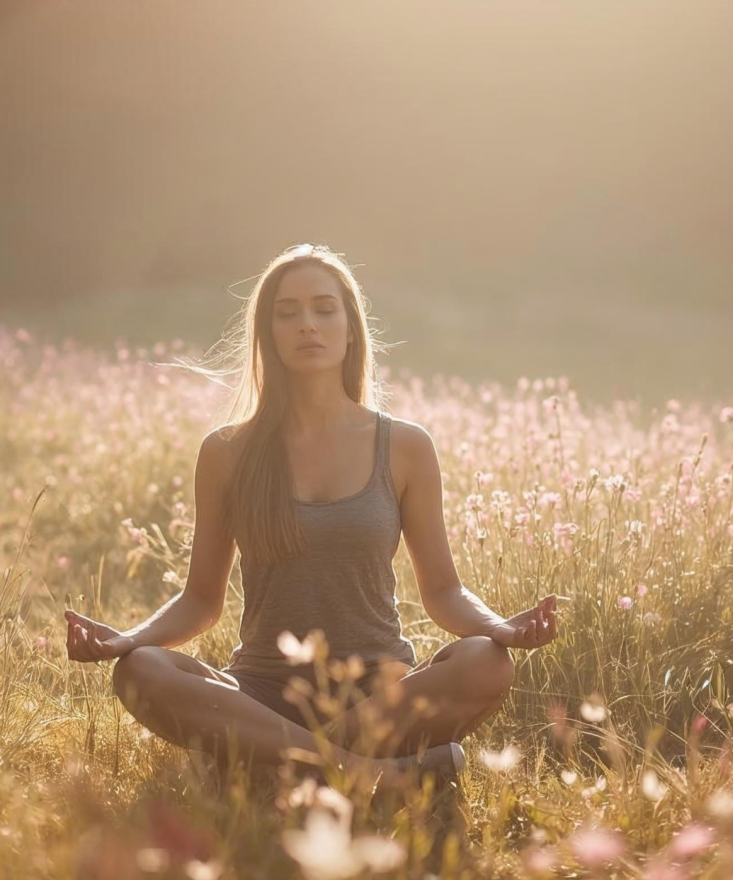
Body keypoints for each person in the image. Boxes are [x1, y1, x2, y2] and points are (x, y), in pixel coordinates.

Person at [64, 242, 559, 791]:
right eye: (288, 312)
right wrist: (124, 641)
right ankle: (370, 776)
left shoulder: (405, 446)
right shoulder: (227, 452)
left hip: (376, 693)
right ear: (268, 333)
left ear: (351, 326)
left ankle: (274, 760)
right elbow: (201, 602)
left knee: (487, 663)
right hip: (263, 691)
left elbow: (443, 591)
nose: (307, 324)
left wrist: (499, 628)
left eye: (324, 309)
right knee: (140, 671)